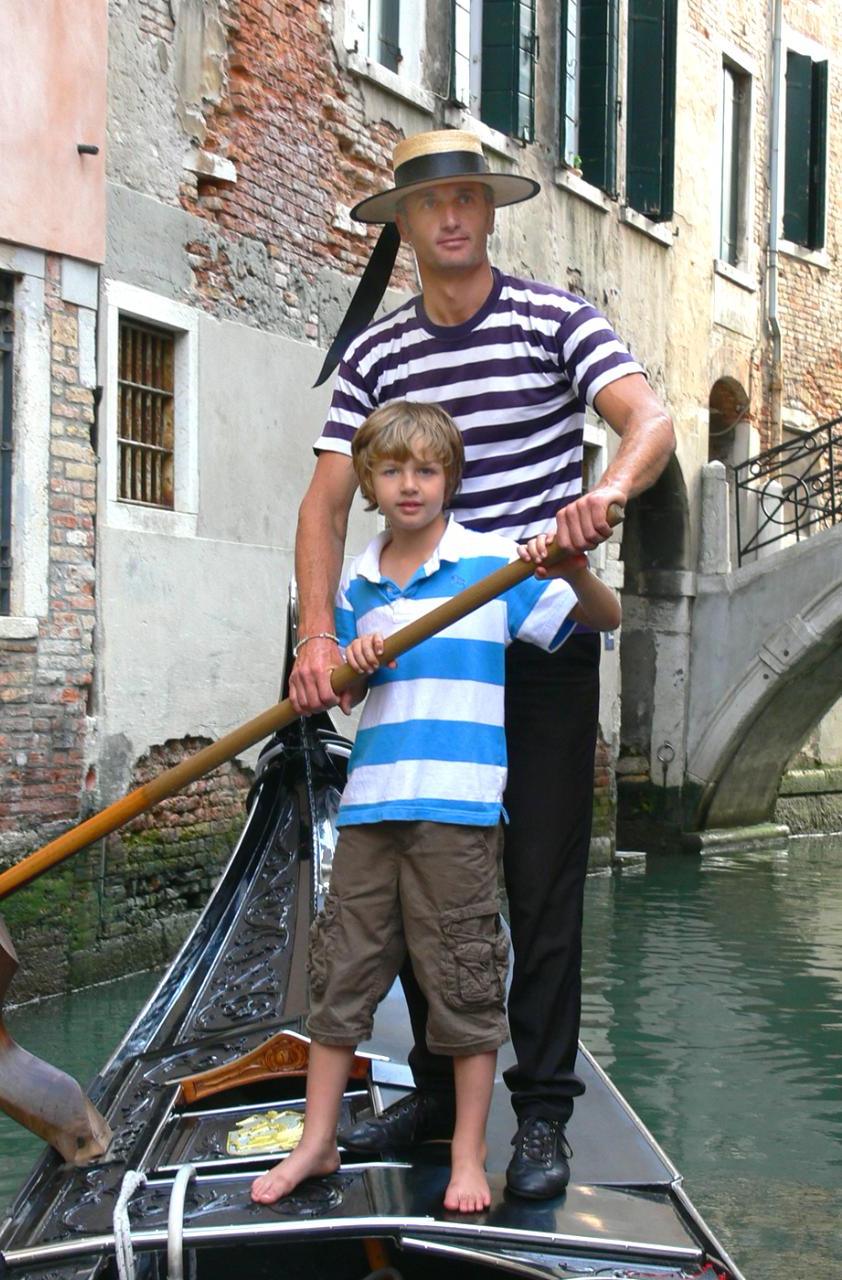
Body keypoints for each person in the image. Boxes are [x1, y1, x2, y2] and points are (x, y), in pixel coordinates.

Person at [290, 130, 675, 1199]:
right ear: (402, 225)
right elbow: (323, 508)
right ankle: (428, 1081)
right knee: (419, 862)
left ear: (487, 213)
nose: (451, 216)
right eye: (429, 203)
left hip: (539, 624)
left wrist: (609, 492)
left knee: (539, 875)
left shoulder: (555, 318)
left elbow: (647, 419)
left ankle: (540, 1107)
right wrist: (318, 636)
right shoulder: (374, 358)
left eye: (466, 197)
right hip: (422, 636)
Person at [252, 401, 621, 1213]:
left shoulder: (495, 567)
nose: (409, 485)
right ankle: (316, 1143)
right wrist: (345, 662)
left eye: (425, 471)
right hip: (370, 809)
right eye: (391, 471)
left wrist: (571, 568)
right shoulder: (357, 582)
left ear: (450, 479)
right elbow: (342, 701)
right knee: (339, 977)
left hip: (457, 813)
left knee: (463, 980)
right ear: (372, 486)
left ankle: (465, 1156)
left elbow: (606, 618)